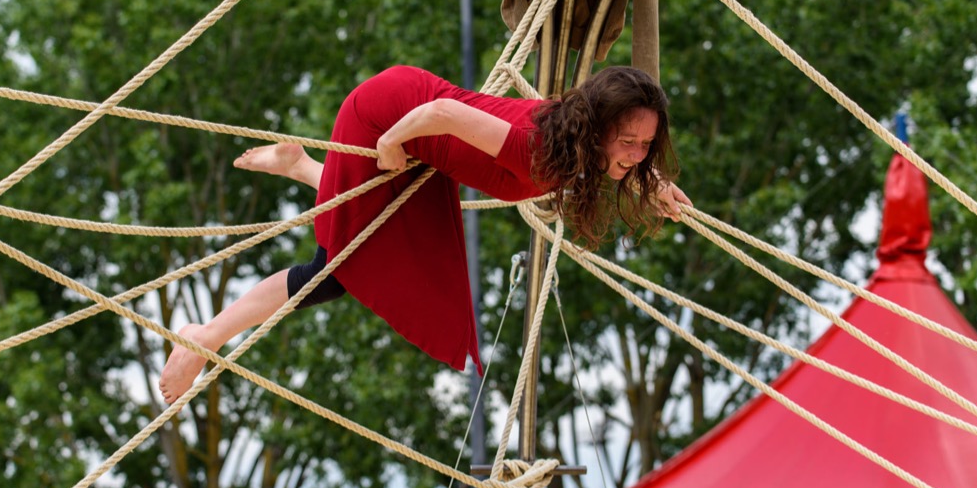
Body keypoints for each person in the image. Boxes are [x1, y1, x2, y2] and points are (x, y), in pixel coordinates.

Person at [159, 65, 690, 403]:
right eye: (627, 141)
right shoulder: (537, 148)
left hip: (422, 140)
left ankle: (303, 168)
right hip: (394, 116)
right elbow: (442, 113)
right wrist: (391, 142)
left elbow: (621, 165)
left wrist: (656, 185)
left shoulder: (578, 144)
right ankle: (205, 336)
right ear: (597, 128)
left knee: (375, 231)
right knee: (337, 265)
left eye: (645, 145)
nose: (636, 155)